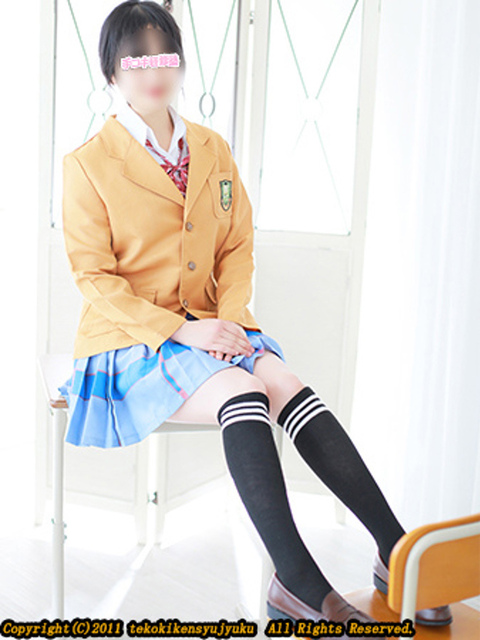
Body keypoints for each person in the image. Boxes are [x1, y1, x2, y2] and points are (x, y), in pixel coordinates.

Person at [57, 1, 452, 634]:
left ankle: (396, 552)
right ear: (112, 72)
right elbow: (94, 279)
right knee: (245, 392)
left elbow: (237, 246)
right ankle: (297, 580)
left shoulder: (211, 148)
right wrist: (183, 330)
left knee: (287, 384)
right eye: (137, 60)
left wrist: (231, 320)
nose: (154, 71)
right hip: (133, 340)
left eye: (165, 55)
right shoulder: (89, 163)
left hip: (216, 325)